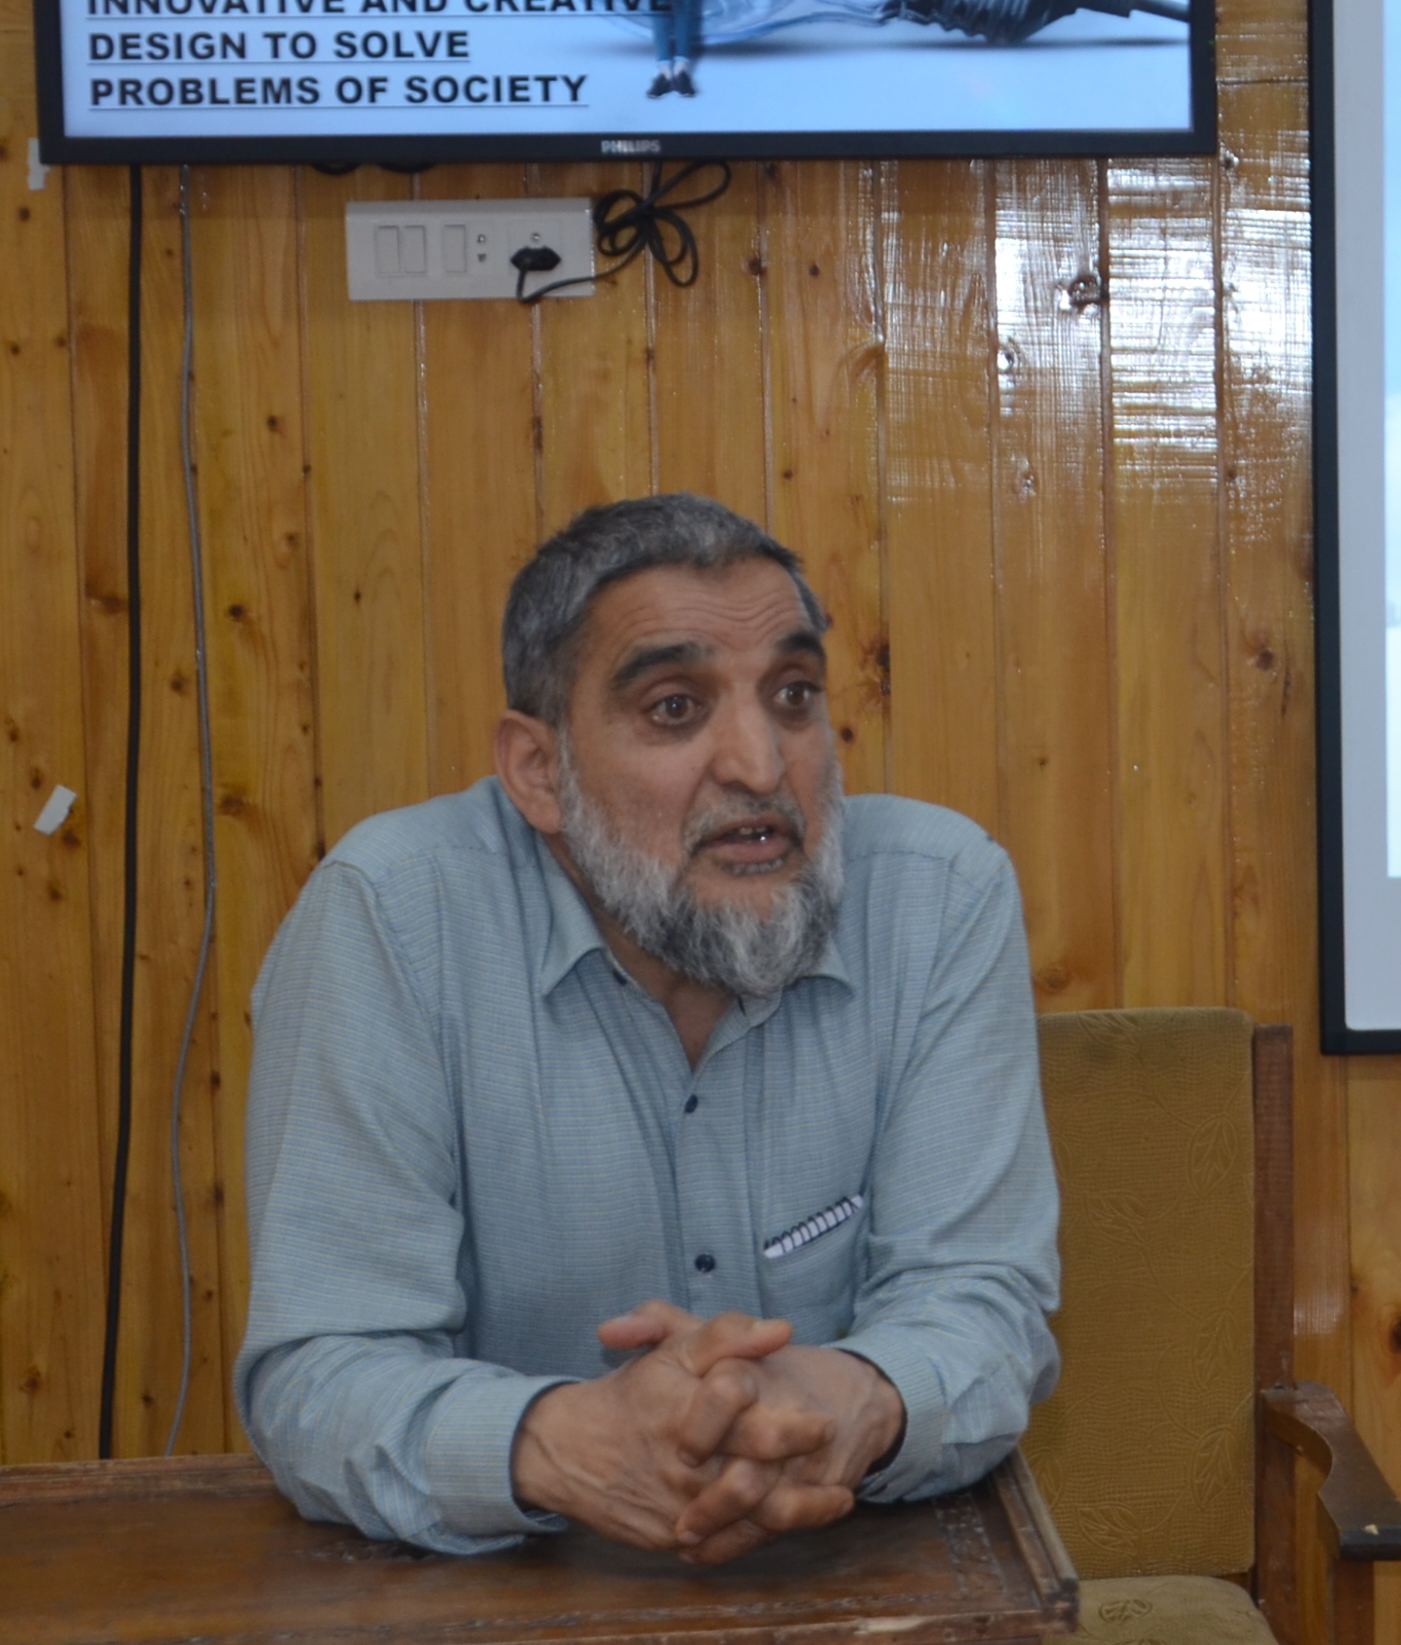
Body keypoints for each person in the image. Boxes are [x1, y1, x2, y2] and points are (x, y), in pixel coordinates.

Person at [236, 494, 1058, 1563]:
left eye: (794, 696)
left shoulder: (938, 898)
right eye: (675, 708)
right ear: (539, 772)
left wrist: (845, 1399)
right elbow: (319, 1375)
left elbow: (983, 1302)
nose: (761, 765)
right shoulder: (392, 917)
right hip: (496, 1594)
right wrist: (562, 1443)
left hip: (848, 1570)